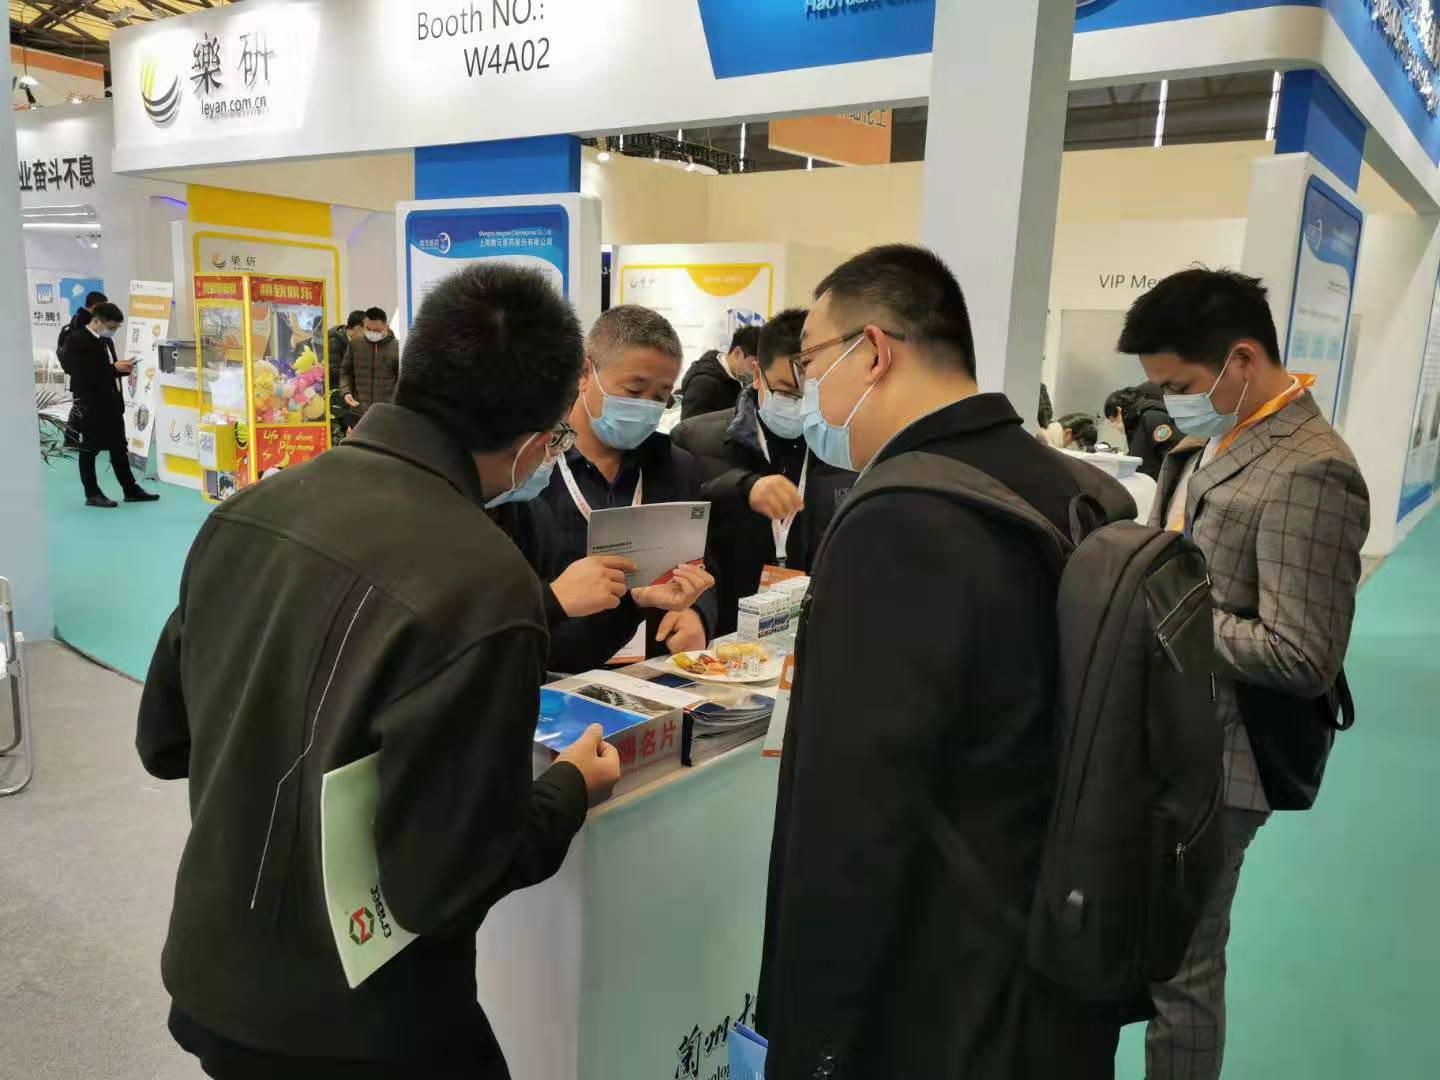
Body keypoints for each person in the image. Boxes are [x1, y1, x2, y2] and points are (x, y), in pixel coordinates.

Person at [136, 263, 623, 1080]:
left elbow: (164, 743)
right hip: (359, 1023)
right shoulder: (486, 584)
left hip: (212, 971)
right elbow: (443, 884)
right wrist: (569, 788)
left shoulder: (249, 509)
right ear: (535, 444)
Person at [756, 244, 1120, 1078]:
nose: (808, 390)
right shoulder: (1068, 485)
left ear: (873, 352)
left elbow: (855, 811)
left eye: (810, 361)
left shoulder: (900, 520)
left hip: (937, 984)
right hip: (1052, 941)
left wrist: (812, 1038)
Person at [1118, 268, 1370, 1080]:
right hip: (1165, 733)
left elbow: (1303, 654)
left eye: (1178, 385)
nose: (1168, 402)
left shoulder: (1311, 470)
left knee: (1183, 968)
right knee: (1148, 946)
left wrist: (1164, 617)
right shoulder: (1215, 436)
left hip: (1224, 761)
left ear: (1242, 359)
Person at [530, 304, 718, 673]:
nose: (646, 406)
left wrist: (697, 614)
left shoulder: (674, 466)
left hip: (650, 673)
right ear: (586, 373)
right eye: (634, 390)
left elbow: (702, 563)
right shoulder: (532, 468)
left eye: (661, 396)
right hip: (549, 674)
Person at [672, 308, 855, 634]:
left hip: (806, 630)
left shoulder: (842, 451)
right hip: (720, 629)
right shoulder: (695, 438)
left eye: (808, 394)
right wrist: (741, 488)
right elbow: (677, 520)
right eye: (785, 390)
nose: (798, 404)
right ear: (757, 374)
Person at [59, 301, 159, 508]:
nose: (113, 331)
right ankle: (92, 493)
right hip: (90, 404)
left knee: (119, 447)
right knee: (90, 448)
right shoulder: (76, 341)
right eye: (111, 327)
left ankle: (130, 489)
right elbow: (81, 374)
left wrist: (122, 370)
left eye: (116, 328)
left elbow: (105, 370)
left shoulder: (105, 341)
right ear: (97, 321)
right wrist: (113, 369)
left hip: (111, 402)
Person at [678, 325, 759, 420]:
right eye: (754, 364)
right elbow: (689, 427)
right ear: (737, 353)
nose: (757, 371)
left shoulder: (738, 377)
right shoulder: (703, 385)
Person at [1105, 382, 1178, 479]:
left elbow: (1173, 457)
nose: (1113, 426)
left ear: (1119, 410)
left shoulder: (1152, 417)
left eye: (1113, 420)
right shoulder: (1135, 425)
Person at [340, 306, 400, 415]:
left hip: (386, 412)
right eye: (368, 329)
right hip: (359, 410)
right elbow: (345, 371)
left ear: (386, 327)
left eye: (376, 330)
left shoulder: (396, 347)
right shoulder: (355, 344)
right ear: (364, 324)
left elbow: (401, 380)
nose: (372, 333)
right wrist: (346, 392)